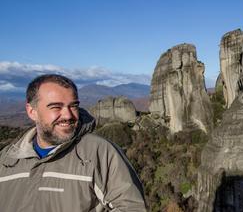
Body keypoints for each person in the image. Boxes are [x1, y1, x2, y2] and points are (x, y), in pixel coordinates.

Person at [0, 74, 147, 211]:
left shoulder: (99, 152)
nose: (68, 115)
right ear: (32, 111)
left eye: (73, 106)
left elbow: (131, 207)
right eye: (56, 107)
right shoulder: (6, 160)